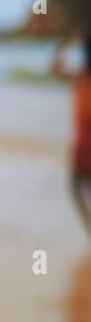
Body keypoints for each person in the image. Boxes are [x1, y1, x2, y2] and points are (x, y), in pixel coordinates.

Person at [71, 35, 91, 237]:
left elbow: (55, 68)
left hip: (85, 142)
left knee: (77, 189)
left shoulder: (81, 77)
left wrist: (67, 42)